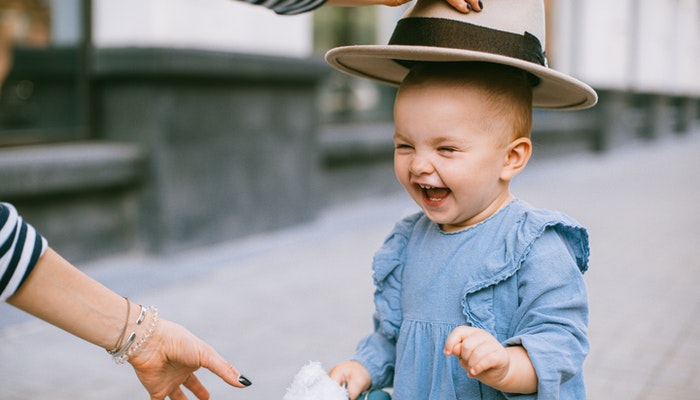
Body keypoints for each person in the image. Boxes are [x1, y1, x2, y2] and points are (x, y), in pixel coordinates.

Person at [324, 0, 597, 398]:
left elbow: (560, 345)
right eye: (404, 145)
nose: (419, 165)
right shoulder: (408, 241)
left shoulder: (535, 245)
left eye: (446, 149)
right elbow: (392, 335)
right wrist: (363, 367)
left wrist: (507, 366)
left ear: (511, 157)